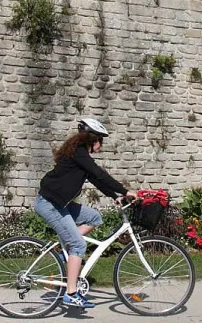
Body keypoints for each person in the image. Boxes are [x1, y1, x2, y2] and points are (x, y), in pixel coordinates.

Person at [34, 118, 138, 309]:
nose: (101, 145)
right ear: (93, 139)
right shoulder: (78, 154)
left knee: (94, 217)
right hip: (49, 205)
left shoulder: (79, 155)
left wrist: (113, 195)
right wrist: (124, 191)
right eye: (101, 141)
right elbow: (99, 174)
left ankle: (68, 249)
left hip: (59, 204)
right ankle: (71, 293)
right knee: (79, 245)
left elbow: (95, 179)